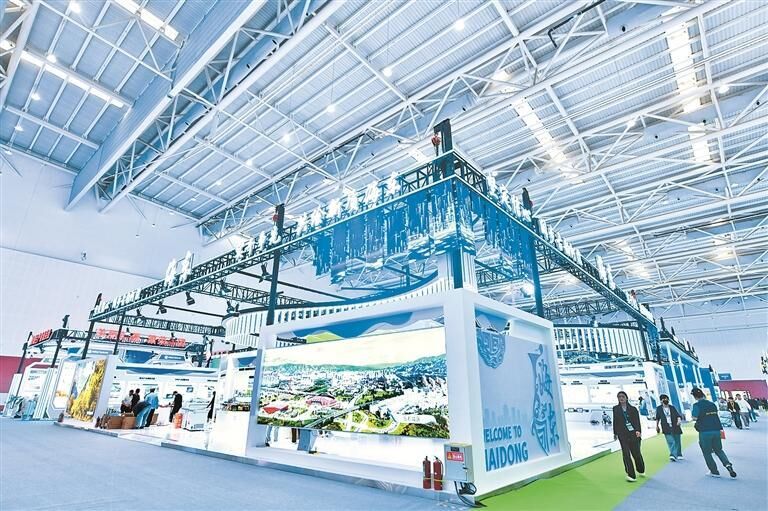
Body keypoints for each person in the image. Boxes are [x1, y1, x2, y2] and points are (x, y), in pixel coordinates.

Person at [691, 387, 736, 478]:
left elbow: (695, 418)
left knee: (707, 452)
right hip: (716, 429)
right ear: (703, 394)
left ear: (695, 397)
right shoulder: (712, 404)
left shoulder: (696, 405)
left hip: (705, 431)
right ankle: (728, 465)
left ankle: (714, 471)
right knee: (719, 450)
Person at [613, 391, 645, 482]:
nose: (621, 398)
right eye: (619, 397)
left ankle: (641, 469)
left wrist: (638, 431)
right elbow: (615, 421)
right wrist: (615, 433)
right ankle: (631, 475)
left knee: (636, 454)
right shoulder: (615, 409)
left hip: (633, 434)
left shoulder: (633, 409)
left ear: (626, 398)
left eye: (623, 396)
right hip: (622, 434)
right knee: (626, 454)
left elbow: (637, 421)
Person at [655, 394, 683, 461]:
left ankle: (679, 454)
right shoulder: (659, 409)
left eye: (666, 399)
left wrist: (679, 420)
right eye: (663, 399)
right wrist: (657, 426)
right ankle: (673, 455)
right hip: (666, 426)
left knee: (677, 441)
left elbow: (678, 415)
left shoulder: (672, 407)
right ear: (661, 401)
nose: (665, 400)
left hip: (675, 426)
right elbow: (657, 418)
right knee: (670, 441)